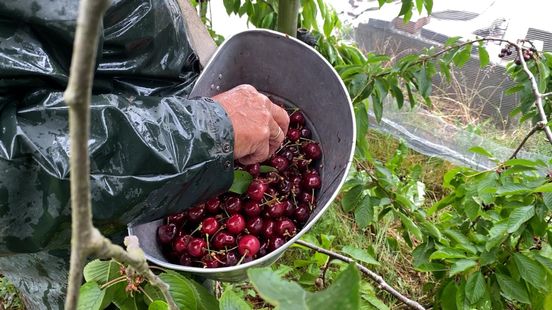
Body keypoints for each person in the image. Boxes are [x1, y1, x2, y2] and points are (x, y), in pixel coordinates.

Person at [0, 0, 289, 308]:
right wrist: (209, 130)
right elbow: (15, 169)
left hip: (186, 180)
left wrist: (205, 70)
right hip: (82, 248)